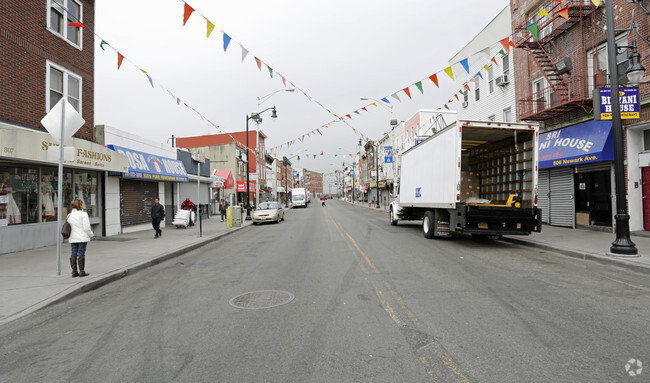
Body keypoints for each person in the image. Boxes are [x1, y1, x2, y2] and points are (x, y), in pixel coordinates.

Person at [68, 199, 93, 277]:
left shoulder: (69, 215)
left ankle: (74, 272)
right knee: (81, 253)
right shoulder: (83, 214)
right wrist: (91, 234)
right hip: (82, 237)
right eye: (82, 204)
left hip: (73, 238)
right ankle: (82, 272)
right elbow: (87, 228)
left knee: (73, 252)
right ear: (80, 205)